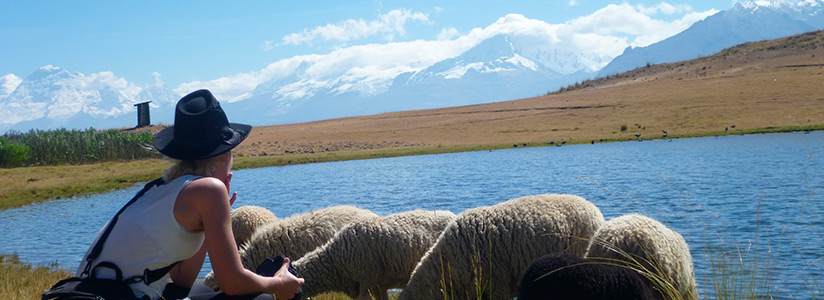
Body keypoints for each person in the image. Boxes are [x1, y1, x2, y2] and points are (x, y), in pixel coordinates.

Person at [74, 89, 304, 300]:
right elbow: (234, 283)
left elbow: (182, 280)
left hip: (92, 293)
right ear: (225, 154)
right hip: (119, 295)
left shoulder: (161, 189)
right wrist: (278, 282)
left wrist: (207, 222)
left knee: (200, 291)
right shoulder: (208, 191)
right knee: (261, 299)